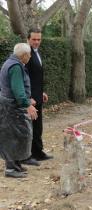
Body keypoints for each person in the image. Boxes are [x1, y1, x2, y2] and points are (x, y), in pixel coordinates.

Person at [0, 43, 38, 178]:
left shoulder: (11, 63)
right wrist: (27, 104)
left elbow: (16, 88)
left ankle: (16, 165)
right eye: (29, 55)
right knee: (12, 136)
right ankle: (10, 169)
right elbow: (17, 89)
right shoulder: (16, 66)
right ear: (24, 55)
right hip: (12, 107)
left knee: (18, 135)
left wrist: (28, 99)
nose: (29, 57)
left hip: (9, 105)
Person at [22, 28, 53, 166]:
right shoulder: (25, 54)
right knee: (29, 127)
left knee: (38, 127)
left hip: (38, 96)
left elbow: (36, 77)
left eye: (39, 39)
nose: (36, 42)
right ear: (28, 39)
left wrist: (41, 92)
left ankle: (38, 152)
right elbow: (24, 78)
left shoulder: (37, 53)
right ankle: (27, 155)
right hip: (29, 99)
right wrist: (28, 97)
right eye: (34, 39)